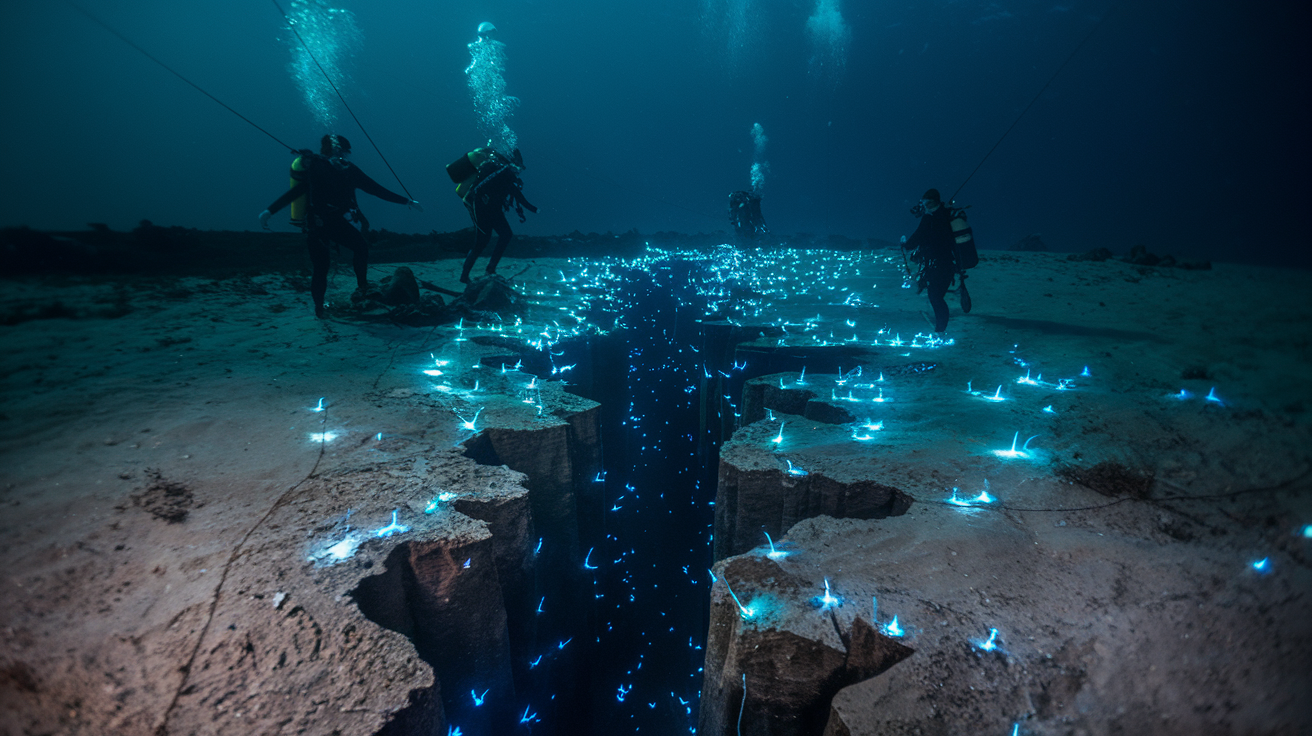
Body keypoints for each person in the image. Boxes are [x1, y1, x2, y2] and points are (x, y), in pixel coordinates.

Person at [259, 134, 422, 318]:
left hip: (331, 222)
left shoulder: (348, 170)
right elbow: (298, 191)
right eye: (342, 152)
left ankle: (358, 291)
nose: (342, 156)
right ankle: (322, 309)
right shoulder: (319, 167)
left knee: (357, 249)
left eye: (344, 153)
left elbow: (375, 189)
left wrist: (406, 201)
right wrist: (269, 211)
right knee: (323, 266)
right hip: (317, 224)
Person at [453, 147, 537, 283]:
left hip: (491, 210)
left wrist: (534, 209)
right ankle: (468, 275)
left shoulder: (503, 175)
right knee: (482, 242)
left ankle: (488, 270)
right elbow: (515, 194)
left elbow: (515, 194)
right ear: (513, 163)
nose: (519, 171)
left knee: (504, 235)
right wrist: (534, 209)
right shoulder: (502, 173)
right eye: (518, 167)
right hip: (482, 210)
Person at [901, 188, 960, 336]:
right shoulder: (945, 216)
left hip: (937, 265)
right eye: (925, 203)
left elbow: (918, 236)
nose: (927, 206)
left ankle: (940, 331)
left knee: (935, 297)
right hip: (947, 264)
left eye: (929, 203)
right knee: (936, 297)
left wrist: (906, 245)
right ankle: (940, 329)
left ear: (935, 202)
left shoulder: (930, 218)